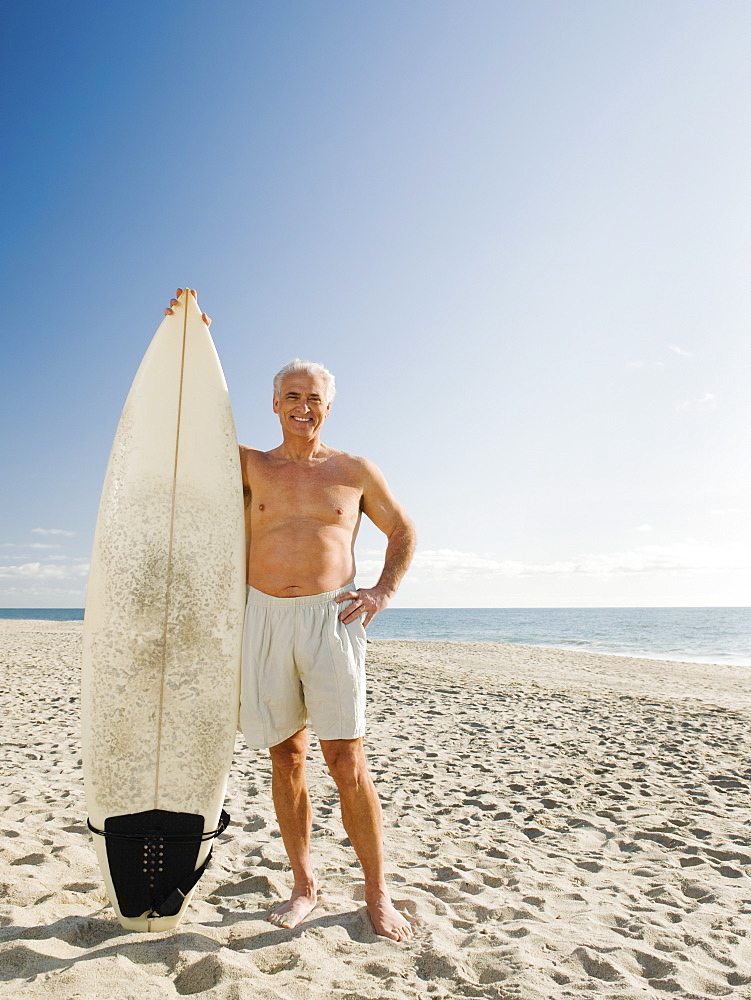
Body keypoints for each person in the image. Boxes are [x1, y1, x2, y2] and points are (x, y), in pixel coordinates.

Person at [164, 291, 417, 941]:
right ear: (274, 404)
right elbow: (188, 428)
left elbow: (402, 531)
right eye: (291, 397)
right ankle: (304, 885)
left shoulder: (353, 469)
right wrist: (189, 342)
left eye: (313, 398)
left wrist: (382, 592)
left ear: (327, 406)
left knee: (346, 760)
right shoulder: (249, 465)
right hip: (265, 617)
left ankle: (376, 894)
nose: (303, 407)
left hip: (331, 621)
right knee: (287, 756)